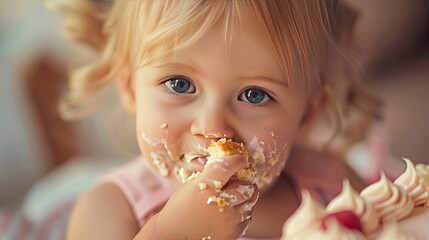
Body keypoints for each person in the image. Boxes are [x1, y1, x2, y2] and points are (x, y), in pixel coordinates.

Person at [46, 0, 373, 239]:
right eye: (180, 84)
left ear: (306, 114)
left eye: (254, 95)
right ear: (131, 89)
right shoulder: (111, 210)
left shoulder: (336, 189)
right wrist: (170, 234)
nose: (214, 128)